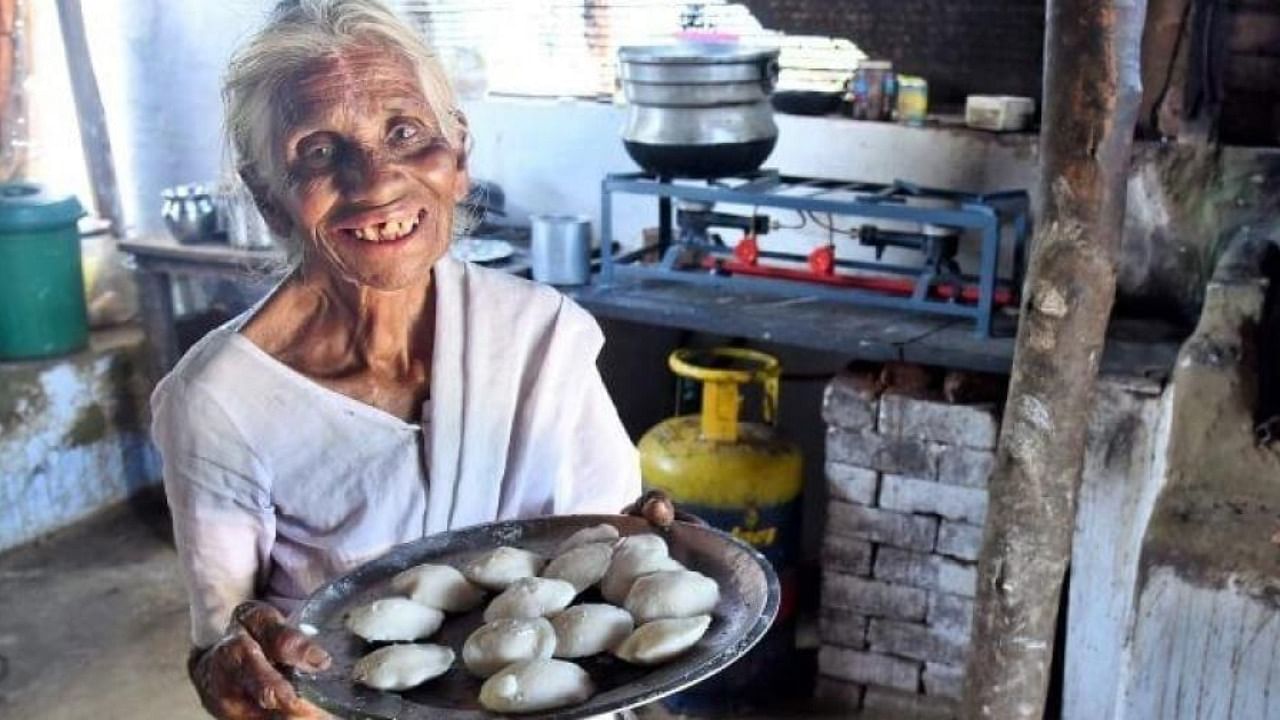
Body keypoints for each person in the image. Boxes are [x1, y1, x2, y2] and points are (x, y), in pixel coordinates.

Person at [151, 2, 654, 716]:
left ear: (458, 160)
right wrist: (234, 669)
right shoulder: (219, 402)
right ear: (269, 197)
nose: (375, 180)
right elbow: (221, 645)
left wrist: (658, 547)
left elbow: (614, 543)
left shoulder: (540, 332)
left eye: (405, 131)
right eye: (320, 152)